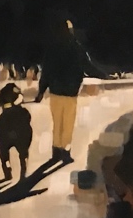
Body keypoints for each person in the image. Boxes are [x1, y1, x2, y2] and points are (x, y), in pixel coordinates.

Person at [34, 17, 107, 163]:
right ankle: (65, 152)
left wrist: (41, 92)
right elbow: (88, 67)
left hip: (55, 92)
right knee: (68, 124)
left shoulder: (52, 49)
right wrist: (103, 75)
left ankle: (56, 151)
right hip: (70, 93)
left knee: (57, 123)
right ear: (71, 31)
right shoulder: (77, 48)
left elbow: (46, 72)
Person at [0, 82, 32, 180]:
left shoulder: (1, 120)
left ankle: (7, 169)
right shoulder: (23, 113)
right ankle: (23, 167)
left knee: (3, 150)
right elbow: (28, 118)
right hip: (20, 132)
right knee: (23, 150)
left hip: (5, 132)